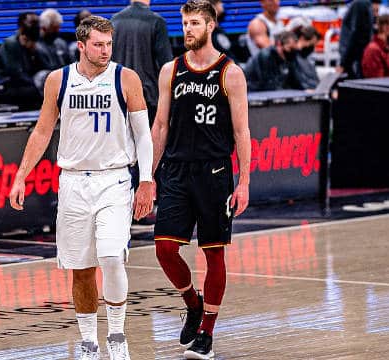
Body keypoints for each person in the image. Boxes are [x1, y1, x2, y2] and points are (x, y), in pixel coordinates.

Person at [8, 15, 154, 360]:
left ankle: (117, 335)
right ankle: (89, 342)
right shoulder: (58, 81)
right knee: (82, 268)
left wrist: (146, 179)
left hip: (115, 179)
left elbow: (143, 133)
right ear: (82, 46)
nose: (105, 51)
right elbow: (43, 131)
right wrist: (20, 175)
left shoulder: (125, 78)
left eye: (109, 44)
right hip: (73, 182)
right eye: (98, 45)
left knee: (111, 257)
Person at [151, 1, 250, 359]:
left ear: (210, 26)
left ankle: (207, 331)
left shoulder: (230, 72)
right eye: (185, 23)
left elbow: (242, 131)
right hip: (176, 170)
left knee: (213, 253)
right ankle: (193, 303)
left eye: (194, 23)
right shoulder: (171, 70)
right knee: (164, 248)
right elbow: (161, 125)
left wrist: (244, 182)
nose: (187, 29)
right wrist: (148, 175)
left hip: (215, 173)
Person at [111, 0, 173, 125]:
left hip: (118, 93)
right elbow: (166, 63)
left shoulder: (114, 20)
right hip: (148, 96)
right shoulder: (156, 21)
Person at [0, 12, 48, 110]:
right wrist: (36, 85)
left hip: (24, 83)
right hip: (4, 85)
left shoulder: (35, 44)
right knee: (35, 93)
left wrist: (34, 51)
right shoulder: (11, 44)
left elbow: (45, 66)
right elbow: (15, 74)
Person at [338, 0, 381, 78]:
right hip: (358, 59)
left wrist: (344, 63)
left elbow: (357, 35)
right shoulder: (363, 4)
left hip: (355, 61)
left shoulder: (361, 3)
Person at [290, 26, 321, 90]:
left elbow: (314, 78)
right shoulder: (292, 56)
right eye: (311, 44)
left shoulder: (307, 57)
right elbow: (297, 79)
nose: (312, 48)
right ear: (302, 39)